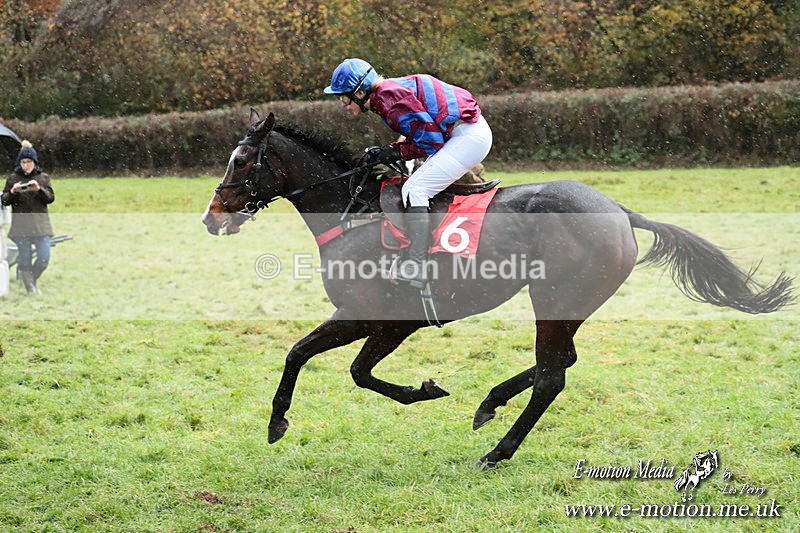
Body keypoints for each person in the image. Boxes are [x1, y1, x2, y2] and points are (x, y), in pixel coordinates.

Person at [324, 58, 492, 287]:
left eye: (344, 97)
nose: (343, 104)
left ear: (360, 93)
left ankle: (417, 264)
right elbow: (423, 133)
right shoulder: (387, 93)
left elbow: (431, 142)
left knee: (415, 189)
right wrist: (393, 150)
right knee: (417, 184)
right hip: (463, 134)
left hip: (467, 137)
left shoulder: (388, 99)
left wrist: (394, 153)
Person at [1, 140, 55, 294]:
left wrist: (39, 189)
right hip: (21, 226)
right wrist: (12, 191)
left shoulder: (43, 177)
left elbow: (50, 198)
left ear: (34, 162)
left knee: (44, 258)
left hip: (41, 226)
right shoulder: (13, 178)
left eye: (28, 161)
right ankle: (30, 288)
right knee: (24, 259)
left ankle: (32, 279)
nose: (25, 165)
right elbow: (4, 201)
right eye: (23, 162)